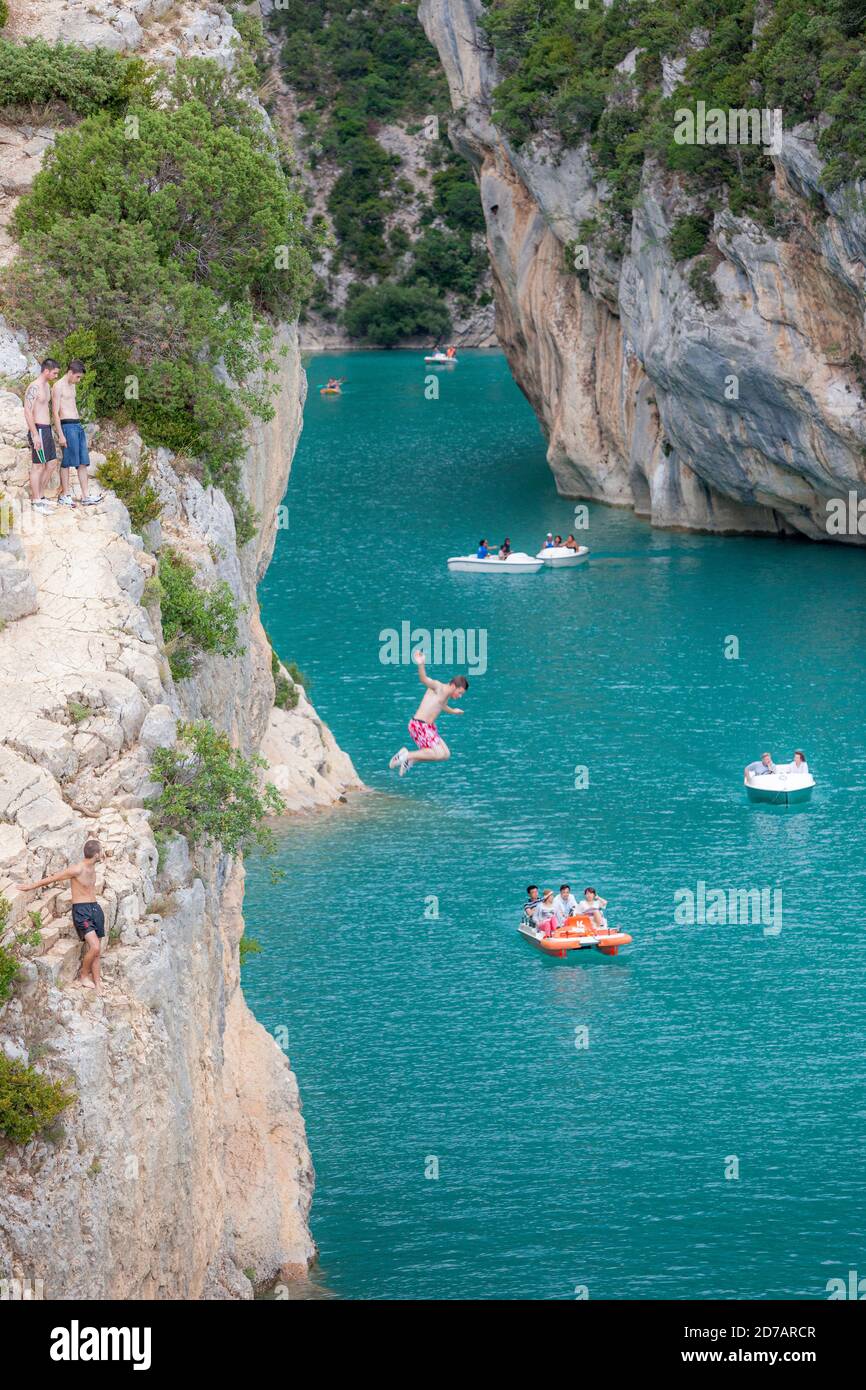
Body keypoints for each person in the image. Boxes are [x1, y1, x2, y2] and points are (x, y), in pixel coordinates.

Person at [19, 839, 105, 992]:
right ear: (96, 854)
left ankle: (97, 982)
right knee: (95, 946)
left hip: (95, 909)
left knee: (97, 951)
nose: (104, 853)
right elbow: (53, 878)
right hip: (82, 911)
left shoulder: (93, 867)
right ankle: (83, 975)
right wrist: (29, 887)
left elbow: (98, 859)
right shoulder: (77, 869)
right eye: (102, 851)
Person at [388, 648, 468, 776]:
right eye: (460, 693)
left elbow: (442, 706)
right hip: (419, 725)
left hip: (429, 728)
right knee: (437, 753)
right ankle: (405, 755)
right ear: (454, 686)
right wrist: (421, 663)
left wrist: (453, 711)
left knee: (445, 754)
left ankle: (411, 759)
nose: (460, 696)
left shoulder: (446, 696)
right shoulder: (438, 687)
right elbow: (424, 679)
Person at [52, 360, 101, 506]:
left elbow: (72, 405)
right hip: (67, 426)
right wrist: (60, 434)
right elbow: (55, 412)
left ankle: (86, 496)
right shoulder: (58, 386)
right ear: (70, 372)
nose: (78, 380)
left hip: (77, 426)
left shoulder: (72, 385)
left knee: (82, 463)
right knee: (67, 461)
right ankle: (65, 495)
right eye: (77, 377)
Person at [23, 358, 61, 511]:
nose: (56, 376)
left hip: (46, 429)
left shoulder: (46, 386)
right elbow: (27, 411)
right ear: (46, 371)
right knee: (38, 466)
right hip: (38, 429)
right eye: (55, 373)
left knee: (51, 463)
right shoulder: (34, 387)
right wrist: (34, 434)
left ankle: (41, 496)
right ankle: (36, 501)